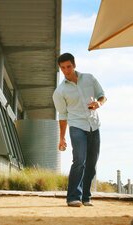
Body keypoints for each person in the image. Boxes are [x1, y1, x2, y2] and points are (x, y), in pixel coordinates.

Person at [52, 53, 107, 207]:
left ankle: (86, 197)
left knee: (91, 163)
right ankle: (73, 197)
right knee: (79, 160)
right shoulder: (60, 92)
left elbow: (103, 96)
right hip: (77, 127)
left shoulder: (89, 78)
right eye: (63, 68)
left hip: (94, 126)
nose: (66, 70)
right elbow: (62, 116)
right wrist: (61, 138)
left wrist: (99, 103)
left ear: (74, 65)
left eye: (68, 66)